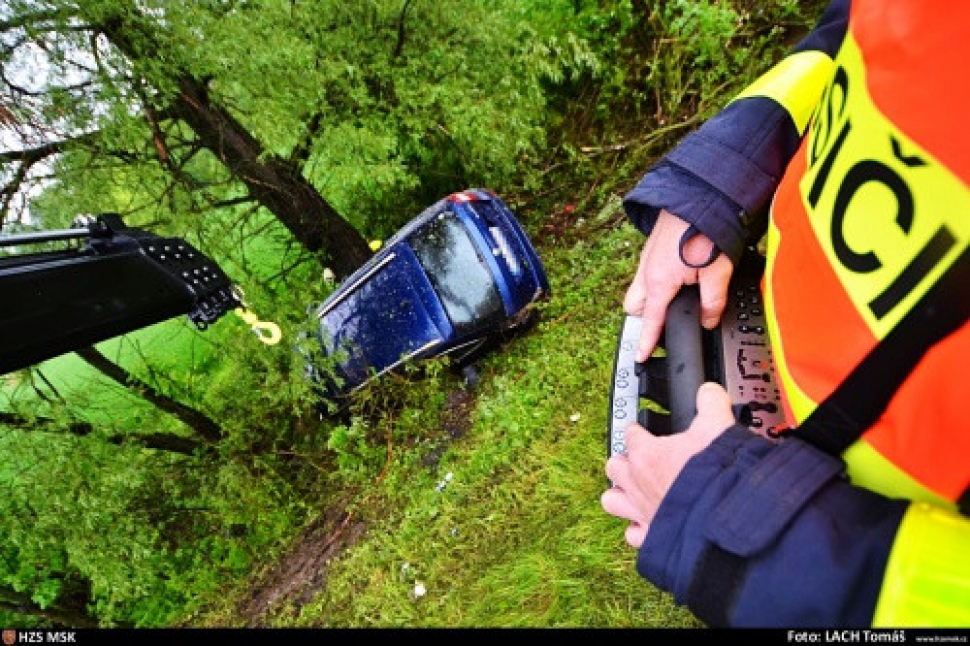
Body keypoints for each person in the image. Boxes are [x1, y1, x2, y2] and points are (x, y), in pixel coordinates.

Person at [601, 0, 969, 627]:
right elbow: (853, 33)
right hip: (752, 372)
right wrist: (722, 178)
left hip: (845, 525)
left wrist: (762, 546)